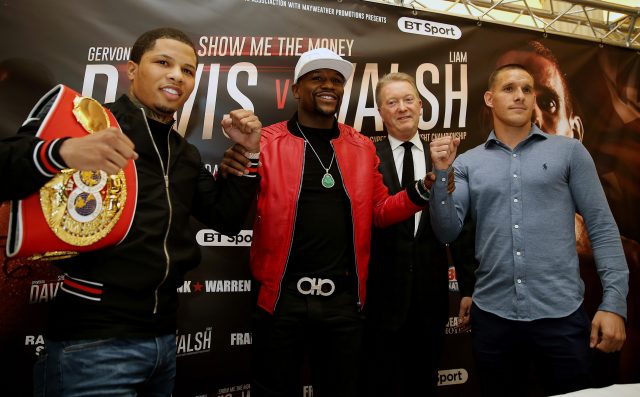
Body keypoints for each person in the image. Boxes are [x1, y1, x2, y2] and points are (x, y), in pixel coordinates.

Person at [1, 27, 261, 396]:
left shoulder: (184, 153)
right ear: (132, 69)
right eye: (163, 63)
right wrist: (61, 152)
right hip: (93, 344)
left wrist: (249, 154)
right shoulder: (86, 125)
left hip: (165, 342)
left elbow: (228, 219)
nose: (177, 75)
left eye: (187, 71)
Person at [222, 48, 435, 397]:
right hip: (281, 301)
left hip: (343, 303)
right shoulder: (267, 141)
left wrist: (422, 190)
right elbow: (232, 205)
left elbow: (380, 211)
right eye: (317, 78)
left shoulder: (362, 146)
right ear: (296, 89)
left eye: (336, 80)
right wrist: (244, 156)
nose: (329, 86)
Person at [428, 64, 629, 396]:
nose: (519, 95)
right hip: (493, 319)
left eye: (526, 88)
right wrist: (441, 175)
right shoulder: (467, 163)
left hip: (561, 316)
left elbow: (603, 228)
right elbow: (447, 230)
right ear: (490, 99)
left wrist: (613, 303)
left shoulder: (569, 152)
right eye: (509, 88)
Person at [496, 40, 640, 386]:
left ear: (574, 131)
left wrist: (614, 304)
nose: (529, 109)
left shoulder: (627, 257)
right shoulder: (471, 176)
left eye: (546, 100)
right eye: (513, 93)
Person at [360, 72, 475, 397]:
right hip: (379, 302)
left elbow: (462, 227)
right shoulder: (368, 159)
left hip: (429, 299)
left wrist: (468, 286)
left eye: (408, 99)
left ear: (421, 105)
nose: (401, 108)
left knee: (422, 384)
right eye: (391, 102)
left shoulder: (444, 160)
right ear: (381, 112)